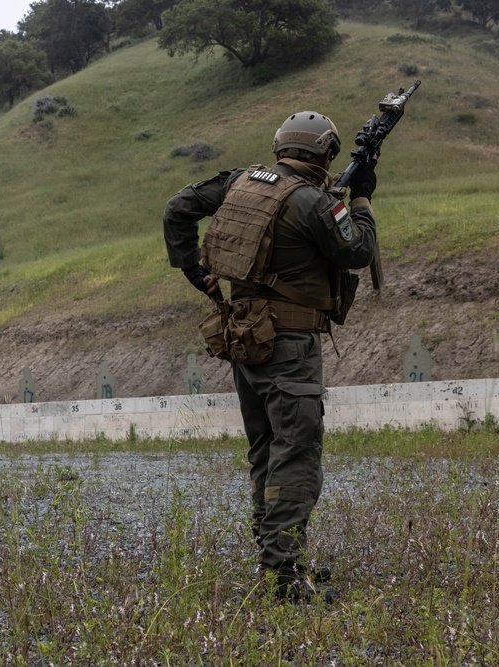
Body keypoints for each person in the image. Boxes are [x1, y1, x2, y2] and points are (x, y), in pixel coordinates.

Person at [162, 111, 377, 602]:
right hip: (291, 347)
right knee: (296, 454)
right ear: (324, 155)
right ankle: (283, 574)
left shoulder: (241, 182)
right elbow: (357, 251)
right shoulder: (315, 203)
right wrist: (360, 198)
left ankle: (276, 556)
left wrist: (194, 272)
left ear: (281, 146)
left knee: (265, 449)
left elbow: (179, 206)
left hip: (246, 339)